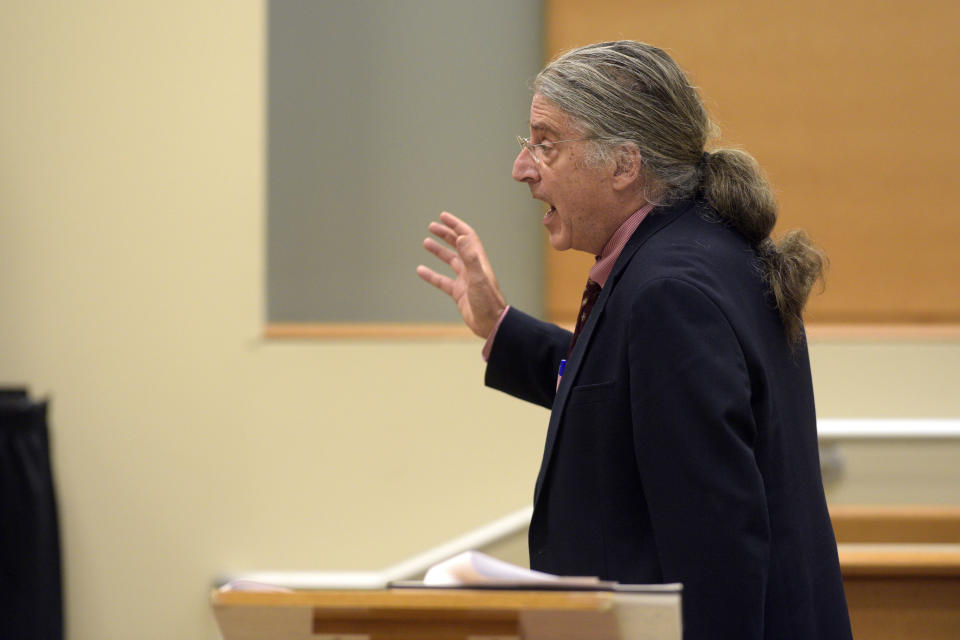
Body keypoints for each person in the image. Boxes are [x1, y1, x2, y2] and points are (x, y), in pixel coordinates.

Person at [417, 41, 852, 640]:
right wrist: (501, 329)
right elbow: (626, 393)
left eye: (546, 144)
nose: (522, 168)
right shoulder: (699, 254)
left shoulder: (670, 293)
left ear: (624, 164)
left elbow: (715, 545)